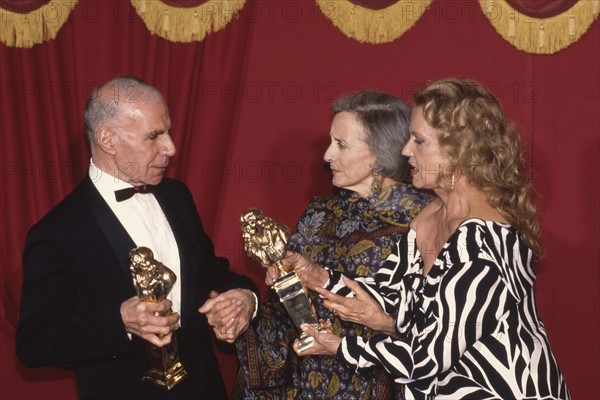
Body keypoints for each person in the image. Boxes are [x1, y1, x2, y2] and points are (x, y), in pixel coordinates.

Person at [297, 78, 570, 399]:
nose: (404, 150)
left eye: (419, 141)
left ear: (458, 150)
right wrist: (318, 276)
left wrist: (341, 347)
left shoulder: (482, 240)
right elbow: (392, 295)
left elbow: (426, 357)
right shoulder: (430, 216)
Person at [16, 76, 257, 400]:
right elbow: (34, 342)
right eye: (154, 136)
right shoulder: (56, 233)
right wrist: (121, 322)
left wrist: (245, 297)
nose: (170, 147)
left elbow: (210, 271)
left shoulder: (177, 196)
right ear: (108, 140)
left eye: (168, 131)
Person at [233, 90, 432, 399]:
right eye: (330, 142)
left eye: (341, 145)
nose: (327, 155)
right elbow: (284, 317)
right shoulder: (318, 213)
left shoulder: (425, 220)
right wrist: (275, 291)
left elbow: (435, 330)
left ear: (380, 154)